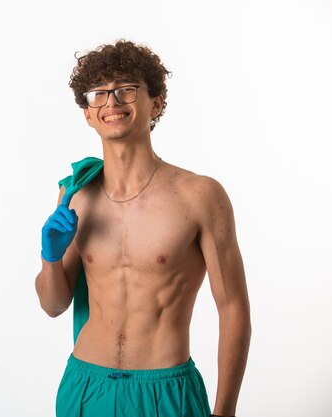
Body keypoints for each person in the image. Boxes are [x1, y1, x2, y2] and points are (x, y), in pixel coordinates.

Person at [34, 40, 251, 417]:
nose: (112, 103)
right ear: (87, 113)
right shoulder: (76, 195)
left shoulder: (200, 196)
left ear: (157, 102)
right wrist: (50, 257)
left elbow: (233, 309)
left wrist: (225, 411)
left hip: (165, 392)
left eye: (126, 89)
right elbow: (53, 305)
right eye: (98, 94)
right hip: (85, 386)